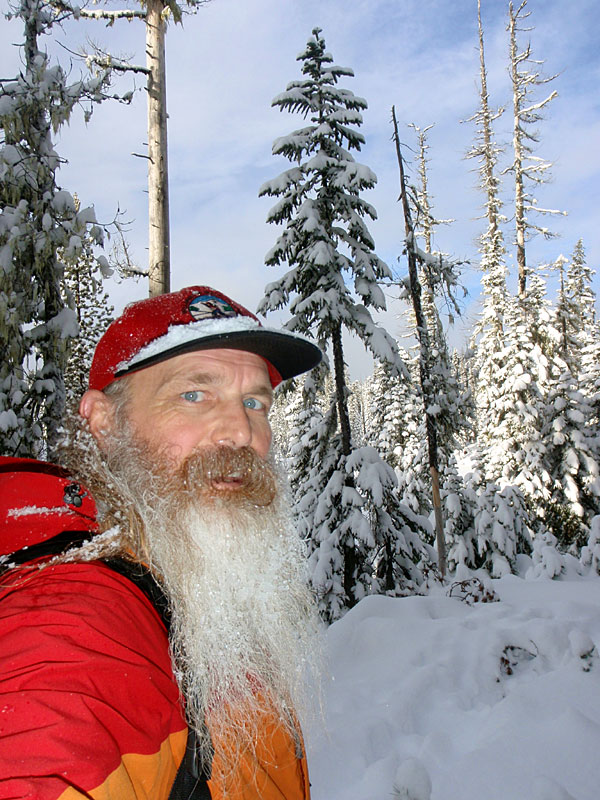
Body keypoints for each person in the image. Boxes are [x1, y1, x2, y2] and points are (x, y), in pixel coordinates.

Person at [0, 285, 323, 800]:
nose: (240, 432)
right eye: (194, 395)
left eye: (254, 402)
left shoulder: (203, 588)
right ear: (105, 422)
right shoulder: (68, 623)